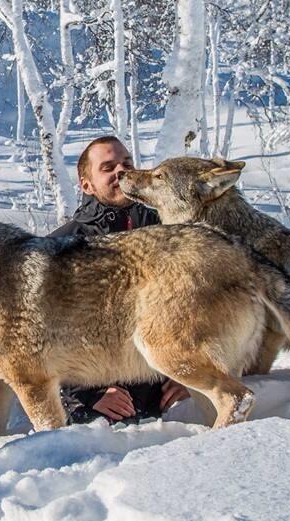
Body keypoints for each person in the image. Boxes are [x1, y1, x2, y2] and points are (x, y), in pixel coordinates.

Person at [49, 136, 190, 424]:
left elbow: (193, 310)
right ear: (86, 185)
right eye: (108, 167)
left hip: (173, 402)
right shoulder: (59, 248)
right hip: (102, 414)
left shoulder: (169, 232)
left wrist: (191, 375)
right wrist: (85, 396)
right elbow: (43, 337)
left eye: (126, 163)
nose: (121, 171)